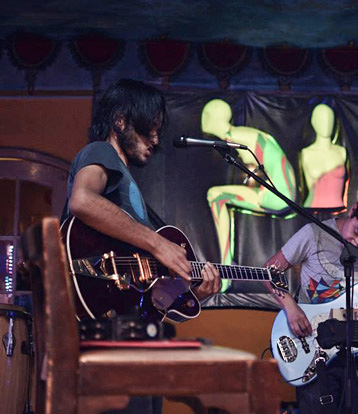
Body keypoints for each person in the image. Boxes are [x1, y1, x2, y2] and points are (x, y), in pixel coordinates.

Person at [64, 79, 222, 413]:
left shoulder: (130, 194)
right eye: (148, 129)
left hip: (129, 334)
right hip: (107, 337)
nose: (155, 140)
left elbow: (151, 297)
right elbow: (81, 200)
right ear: (120, 120)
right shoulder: (100, 152)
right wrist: (158, 244)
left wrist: (195, 293)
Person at [264, 185, 358, 414]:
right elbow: (269, 271)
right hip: (313, 349)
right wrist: (291, 307)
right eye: (356, 232)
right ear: (353, 210)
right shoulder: (314, 234)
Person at [202, 98, 297, 269]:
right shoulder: (244, 133)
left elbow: (254, 165)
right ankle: (226, 262)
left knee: (215, 195)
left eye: (205, 114)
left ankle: (225, 263)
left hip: (278, 195)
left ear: (211, 117)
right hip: (282, 192)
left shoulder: (236, 136)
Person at [299, 103, 347, 209]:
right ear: (313, 122)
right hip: (312, 210)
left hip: (338, 209)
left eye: (330, 119)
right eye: (321, 119)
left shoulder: (341, 152)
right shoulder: (306, 153)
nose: (326, 123)